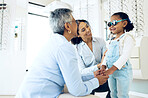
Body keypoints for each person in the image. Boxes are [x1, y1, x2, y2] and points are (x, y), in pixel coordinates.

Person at [15, 1, 109, 98]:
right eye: (74, 21)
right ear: (68, 26)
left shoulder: (55, 42)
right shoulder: (64, 47)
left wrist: (92, 75)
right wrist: (97, 81)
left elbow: (72, 76)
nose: (77, 25)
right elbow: (77, 89)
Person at [71, 20, 111, 98]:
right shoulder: (76, 49)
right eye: (83, 30)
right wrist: (99, 65)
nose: (88, 30)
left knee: (114, 84)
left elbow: (106, 58)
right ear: (78, 34)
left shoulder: (100, 41)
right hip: (89, 78)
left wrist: (103, 67)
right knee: (87, 85)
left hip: (103, 74)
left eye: (87, 26)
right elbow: (82, 71)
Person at [100, 12, 135, 98]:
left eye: (114, 23)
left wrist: (112, 69)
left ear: (124, 23)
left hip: (123, 72)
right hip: (111, 73)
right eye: (109, 24)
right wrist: (103, 65)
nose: (111, 26)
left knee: (122, 94)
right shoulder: (111, 40)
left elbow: (124, 56)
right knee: (113, 93)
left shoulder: (127, 38)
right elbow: (107, 54)